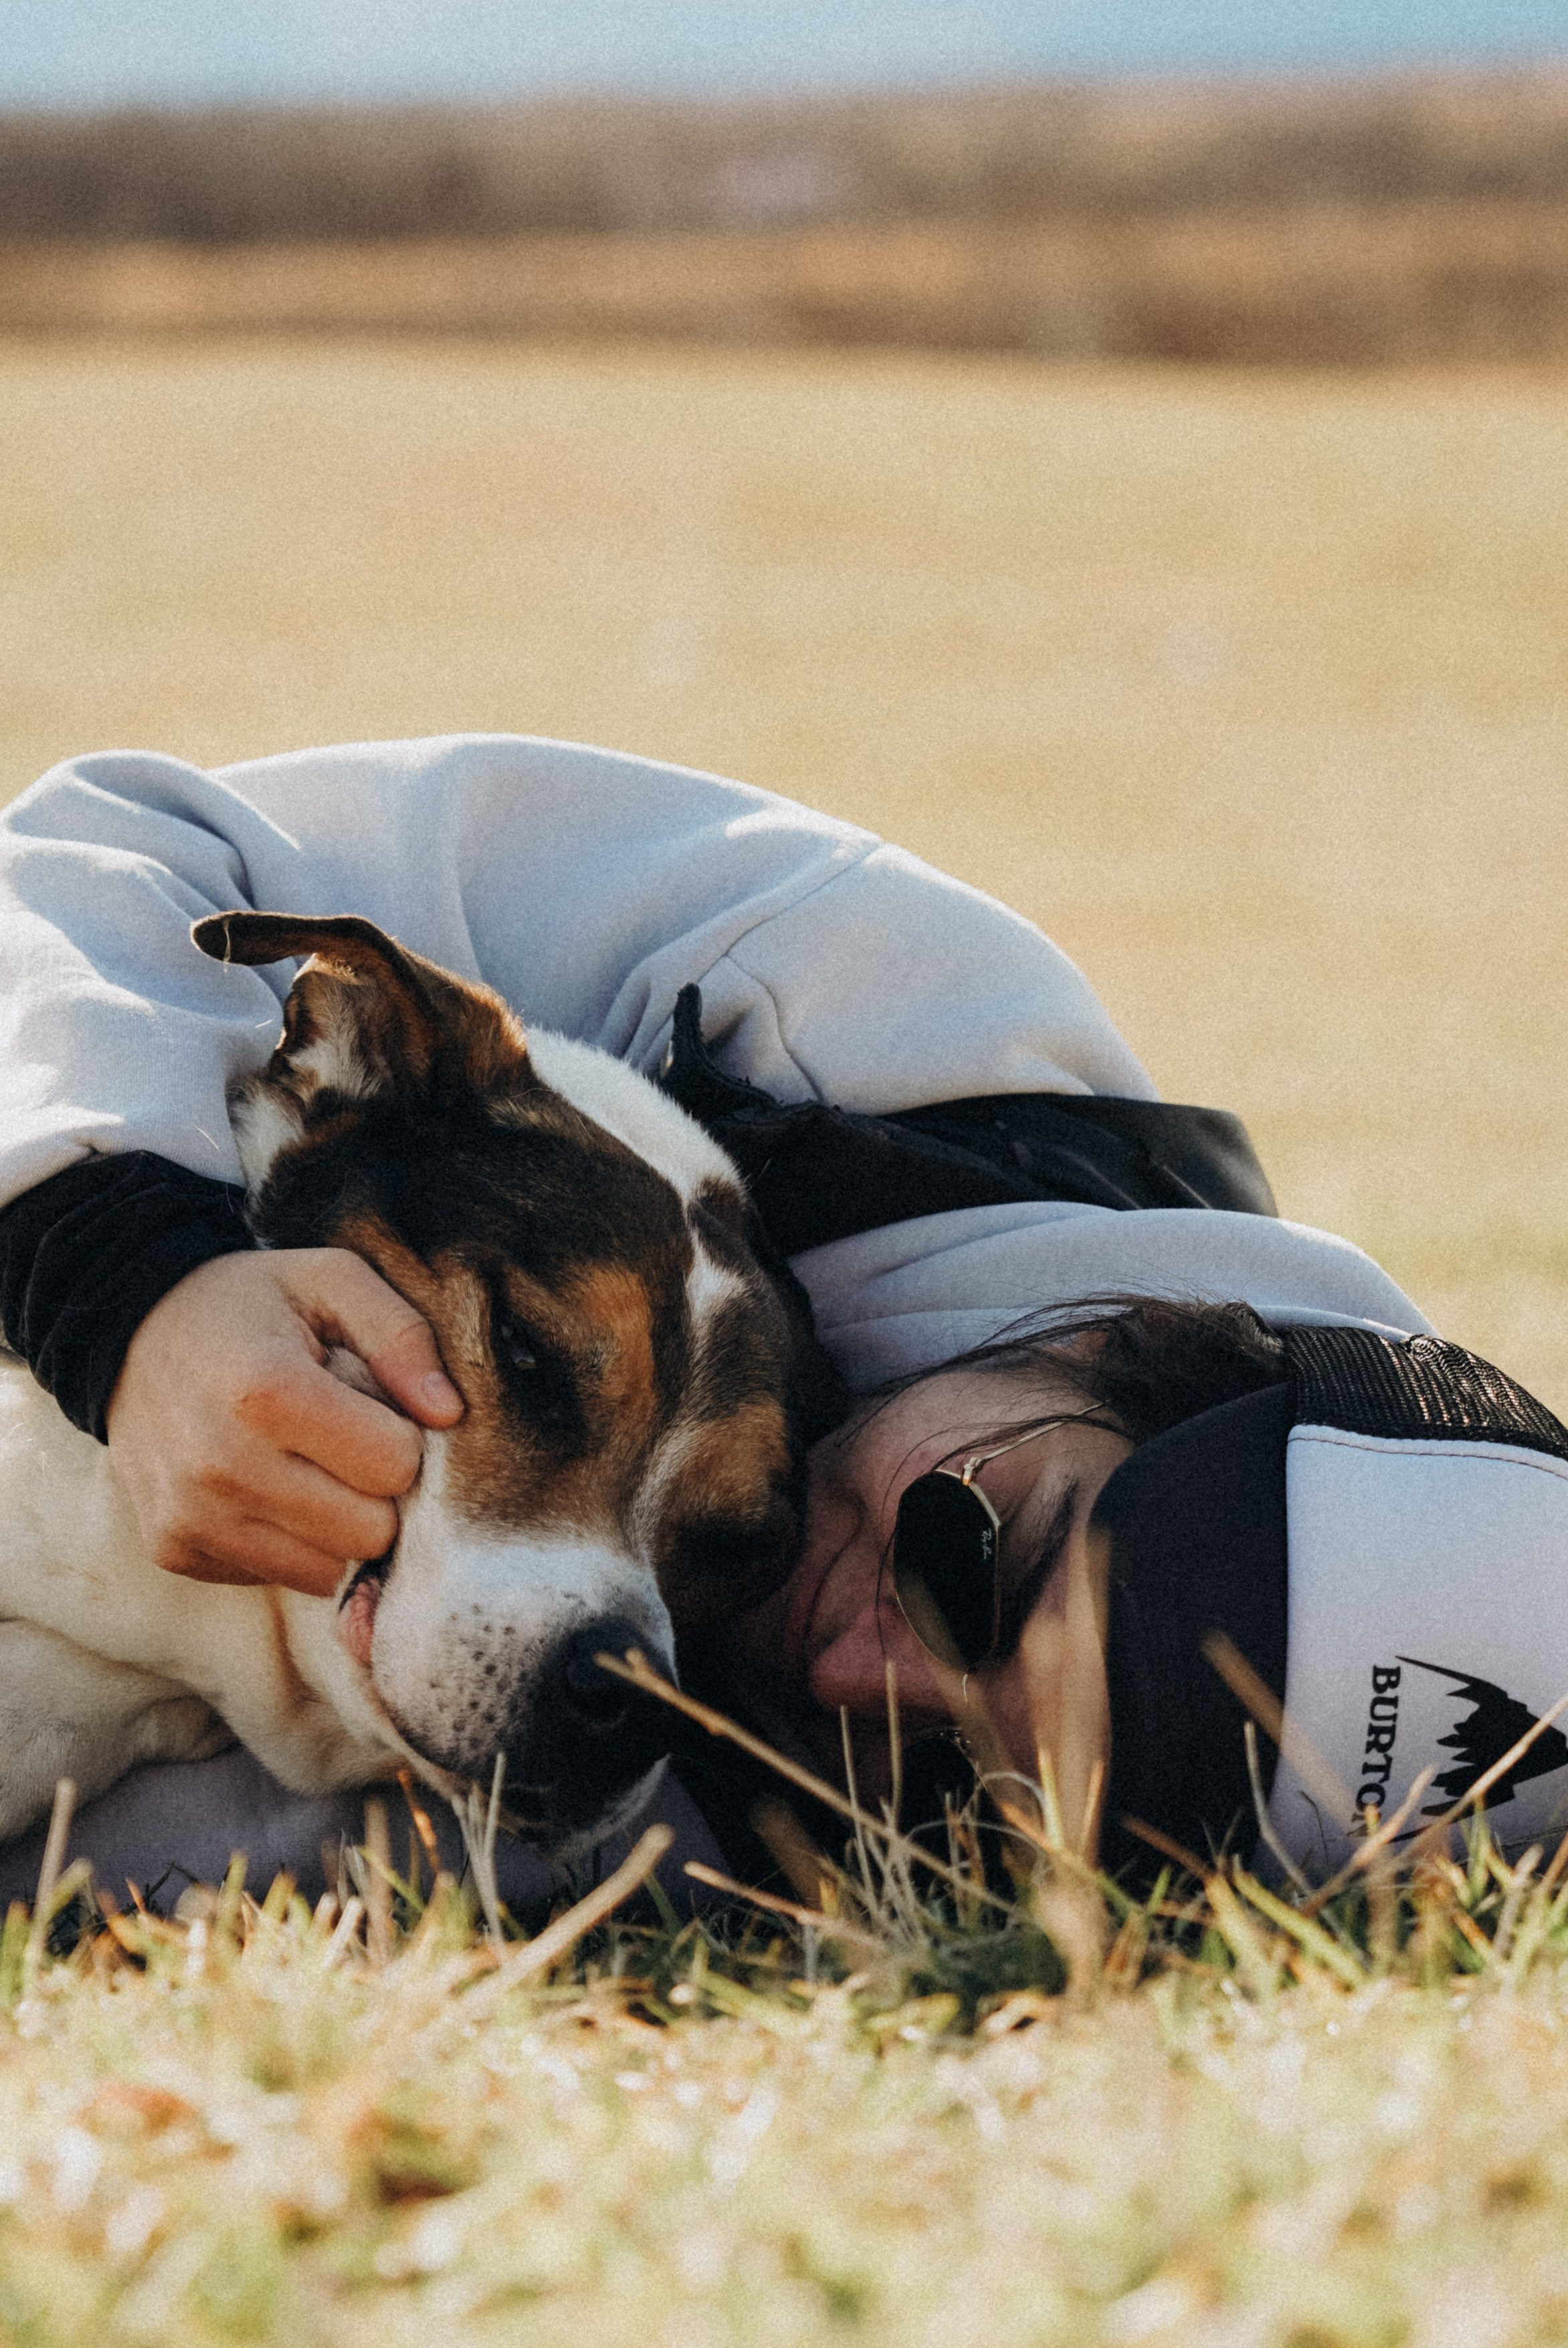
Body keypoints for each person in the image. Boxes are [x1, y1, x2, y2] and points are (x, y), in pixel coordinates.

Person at [1, 735, 1565, 1908]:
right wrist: (131, 1285)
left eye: (961, 1778)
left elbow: (266, 1862)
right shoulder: (875, 999)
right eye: (970, 1566)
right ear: (1108, 1345)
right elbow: (120, 850)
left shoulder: (815, 1832)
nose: (842, 1678)